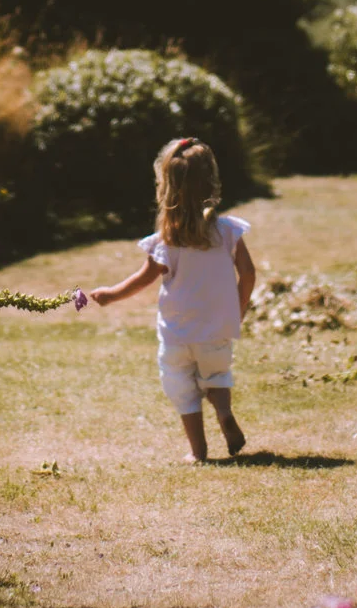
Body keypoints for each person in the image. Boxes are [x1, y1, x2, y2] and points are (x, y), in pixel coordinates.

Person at [84, 136, 257, 462]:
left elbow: (143, 279)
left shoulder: (167, 240)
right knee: (216, 376)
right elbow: (248, 273)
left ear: (167, 188)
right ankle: (223, 411)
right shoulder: (228, 231)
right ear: (212, 182)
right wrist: (238, 308)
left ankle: (198, 452)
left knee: (181, 387)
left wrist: (110, 294)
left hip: (177, 333)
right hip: (217, 329)